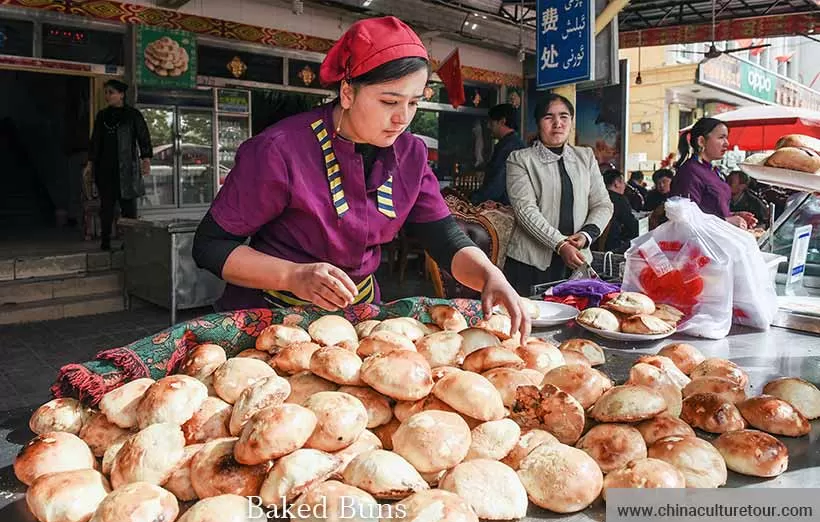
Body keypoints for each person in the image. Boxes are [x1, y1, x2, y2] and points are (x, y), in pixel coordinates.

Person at [192, 16, 530, 339]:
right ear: (348, 93)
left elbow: (443, 238)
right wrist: (293, 276)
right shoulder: (280, 150)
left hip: (359, 317)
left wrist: (489, 274)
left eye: (414, 103)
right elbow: (210, 245)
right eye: (389, 101)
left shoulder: (410, 153)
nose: (402, 118)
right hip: (271, 317)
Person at [503, 93, 614, 295]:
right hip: (531, 264)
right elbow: (525, 211)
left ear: (571, 121)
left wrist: (586, 234)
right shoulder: (520, 159)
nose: (557, 123)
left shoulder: (586, 157)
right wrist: (560, 244)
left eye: (564, 117)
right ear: (538, 123)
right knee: (531, 320)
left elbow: (603, 204)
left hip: (577, 261)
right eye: (548, 117)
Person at [86, 79, 153, 250]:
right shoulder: (102, 116)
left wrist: (146, 159)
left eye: (111, 92)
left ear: (121, 94)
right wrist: (90, 163)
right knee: (106, 207)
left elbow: (143, 137)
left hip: (127, 168)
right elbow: (96, 141)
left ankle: (129, 242)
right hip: (105, 168)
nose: (108, 96)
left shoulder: (132, 115)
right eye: (106, 92)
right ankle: (105, 241)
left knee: (128, 208)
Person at [670, 118, 754, 230]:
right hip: (700, 244)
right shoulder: (690, 173)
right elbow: (684, 219)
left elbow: (709, 209)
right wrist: (727, 221)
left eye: (726, 138)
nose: (727, 143)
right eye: (721, 137)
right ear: (701, 141)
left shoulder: (712, 170)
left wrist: (733, 215)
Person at [471, 103, 525, 206]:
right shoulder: (511, 144)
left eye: (491, 123)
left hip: (503, 208)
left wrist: (473, 200)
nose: (488, 126)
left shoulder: (509, 147)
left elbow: (497, 185)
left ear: (502, 122)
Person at [603, 169, 639, 253]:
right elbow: (632, 227)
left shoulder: (599, 198)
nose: (625, 186)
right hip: (612, 248)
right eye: (623, 183)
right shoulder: (619, 199)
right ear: (616, 183)